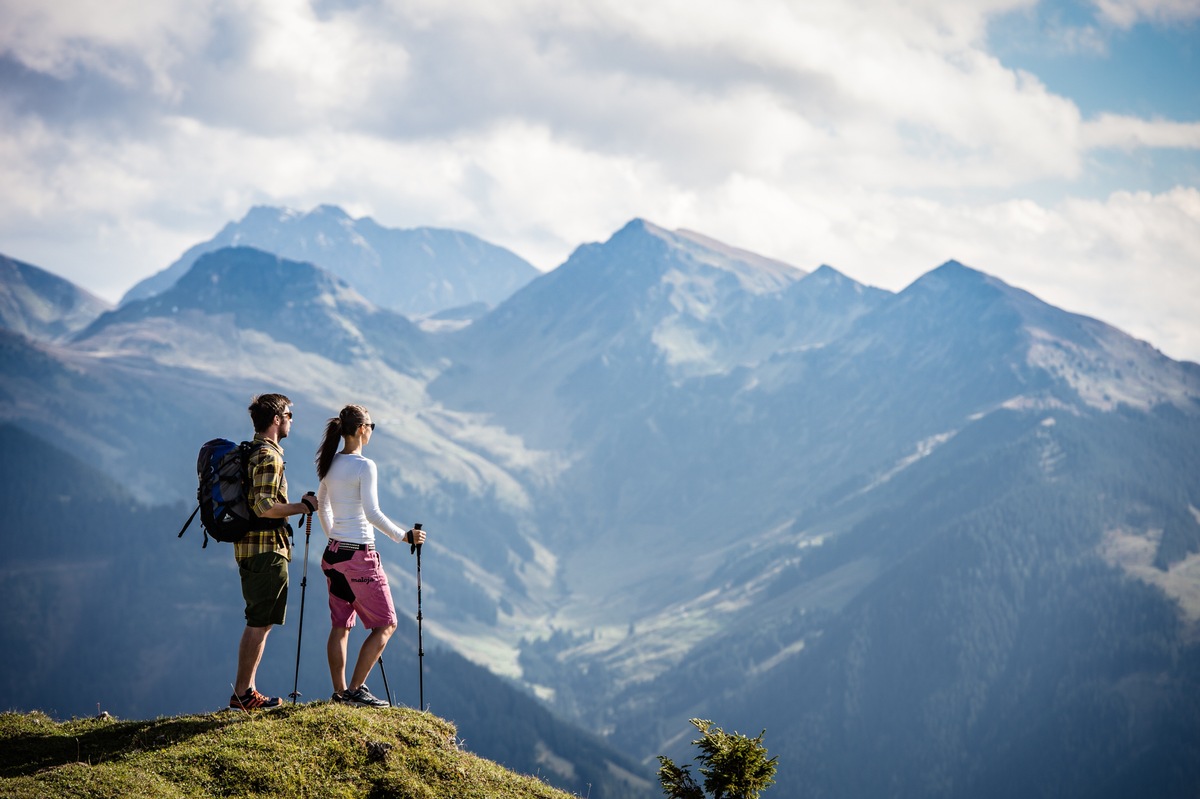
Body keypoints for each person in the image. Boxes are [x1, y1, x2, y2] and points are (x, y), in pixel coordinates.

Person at [315, 404, 425, 708]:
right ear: (362, 429)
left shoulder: (330, 463)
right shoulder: (365, 466)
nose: (372, 430)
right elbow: (372, 513)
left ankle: (340, 693)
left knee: (341, 626)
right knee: (387, 624)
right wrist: (405, 536)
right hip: (359, 556)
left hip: (333, 555)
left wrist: (333, 536)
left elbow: (322, 505)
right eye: (371, 426)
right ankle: (356, 690)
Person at [230, 393, 320, 711]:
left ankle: (246, 691)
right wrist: (302, 507)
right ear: (277, 419)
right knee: (259, 621)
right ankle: (244, 693)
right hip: (266, 549)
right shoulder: (269, 456)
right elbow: (264, 505)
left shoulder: (253, 451)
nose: (292, 421)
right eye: (290, 415)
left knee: (260, 620)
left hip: (252, 547)